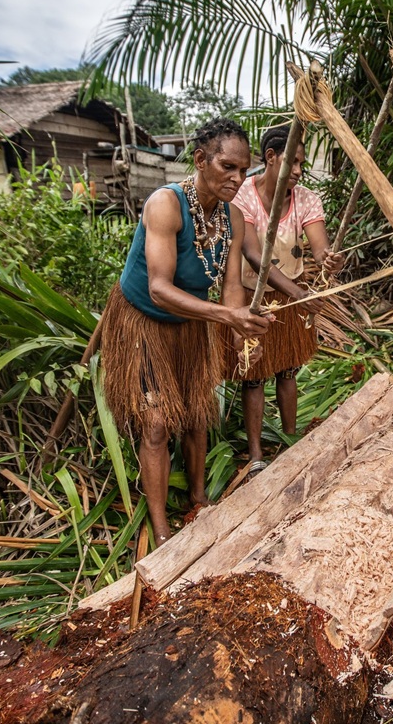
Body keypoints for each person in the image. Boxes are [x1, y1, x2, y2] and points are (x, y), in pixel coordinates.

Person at [97, 118, 272, 544]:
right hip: (143, 322)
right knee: (156, 422)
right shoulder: (165, 204)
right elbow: (159, 289)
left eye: (243, 170)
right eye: (228, 167)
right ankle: (160, 530)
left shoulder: (233, 216)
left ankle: (198, 499)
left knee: (196, 414)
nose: (237, 178)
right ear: (200, 160)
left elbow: (231, 287)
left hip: (192, 325)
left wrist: (241, 334)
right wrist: (226, 317)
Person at [229, 124, 344, 469]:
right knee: (253, 378)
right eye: (291, 162)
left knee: (288, 371)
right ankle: (256, 456)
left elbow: (320, 246)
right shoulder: (243, 198)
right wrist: (297, 292)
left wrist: (330, 259)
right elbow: (252, 253)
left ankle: (289, 440)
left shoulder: (307, 199)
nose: (297, 171)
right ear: (270, 158)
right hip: (253, 298)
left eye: (301, 165)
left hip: (292, 301)